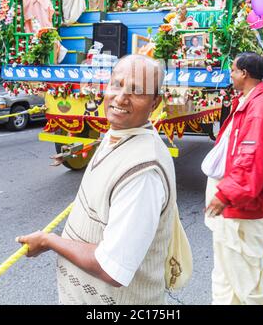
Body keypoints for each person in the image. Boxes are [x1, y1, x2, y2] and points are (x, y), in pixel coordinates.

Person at [17, 55, 178, 305]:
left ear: (155, 102)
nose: (121, 97)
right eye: (117, 84)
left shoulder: (144, 172)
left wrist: (49, 240)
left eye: (136, 91)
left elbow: (111, 268)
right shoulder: (118, 134)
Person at [203, 52, 263, 305]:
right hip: (239, 207)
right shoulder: (249, 101)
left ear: (245, 74)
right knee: (229, 273)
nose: (231, 75)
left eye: (234, 70)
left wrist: (225, 195)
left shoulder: (257, 108)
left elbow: (250, 160)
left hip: (242, 210)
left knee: (246, 279)